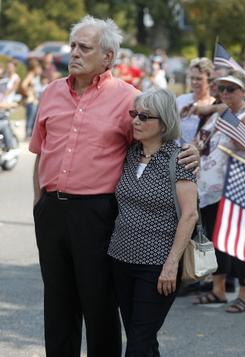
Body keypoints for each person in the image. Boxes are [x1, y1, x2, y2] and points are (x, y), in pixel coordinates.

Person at [29, 16, 198, 356]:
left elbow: (160, 137)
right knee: (57, 303)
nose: (74, 53)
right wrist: (39, 203)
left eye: (84, 47)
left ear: (107, 57)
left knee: (98, 304)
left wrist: (191, 151)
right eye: (73, 45)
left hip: (97, 213)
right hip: (51, 212)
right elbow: (39, 151)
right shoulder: (49, 93)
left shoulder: (128, 99)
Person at [108, 89, 198, 356]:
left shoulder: (179, 159)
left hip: (157, 267)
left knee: (138, 342)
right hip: (120, 260)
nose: (136, 120)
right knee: (142, 339)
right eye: (134, 114)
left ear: (165, 123)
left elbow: (190, 214)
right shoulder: (130, 154)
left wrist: (171, 264)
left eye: (145, 116)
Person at [192, 70, 245, 313]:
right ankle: (218, 289)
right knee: (215, 239)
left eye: (231, 90)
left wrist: (225, 115)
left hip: (237, 185)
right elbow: (199, 143)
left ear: (243, 91)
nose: (225, 94)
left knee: (239, 241)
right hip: (210, 187)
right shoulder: (216, 117)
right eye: (222, 89)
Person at [176, 58, 216, 144]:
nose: (194, 82)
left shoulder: (214, 104)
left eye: (199, 79)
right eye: (192, 78)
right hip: (176, 152)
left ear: (209, 80)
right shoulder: (181, 100)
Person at [20, 58, 43, 138]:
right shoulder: (30, 75)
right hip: (31, 101)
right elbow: (23, 85)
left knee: (34, 118)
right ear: (34, 68)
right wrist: (29, 94)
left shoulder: (35, 76)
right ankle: (28, 135)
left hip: (35, 101)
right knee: (30, 118)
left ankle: (31, 135)